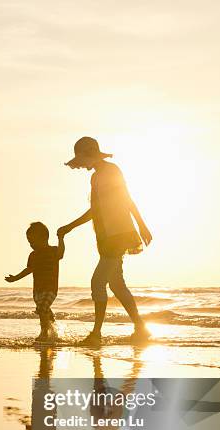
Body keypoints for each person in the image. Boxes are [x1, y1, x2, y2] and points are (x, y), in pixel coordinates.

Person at [58, 136, 153, 348]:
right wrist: (70, 227)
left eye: (82, 160)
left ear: (90, 154)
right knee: (117, 285)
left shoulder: (111, 171)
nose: (81, 166)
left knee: (97, 283)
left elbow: (127, 199)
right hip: (106, 235)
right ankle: (141, 328)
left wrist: (142, 225)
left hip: (118, 235)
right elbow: (97, 210)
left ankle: (96, 334)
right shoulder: (96, 177)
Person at [5, 222, 65, 342]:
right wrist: (15, 278)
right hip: (37, 291)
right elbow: (28, 270)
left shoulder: (53, 251)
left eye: (33, 241)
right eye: (29, 242)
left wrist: (61, 238)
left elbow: (61, 253)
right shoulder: (33, 255)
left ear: (44, 238)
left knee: (42, 309)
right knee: (45, 310)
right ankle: (54, 333)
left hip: (50, 289)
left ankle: (44, 333)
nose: (31, 245)